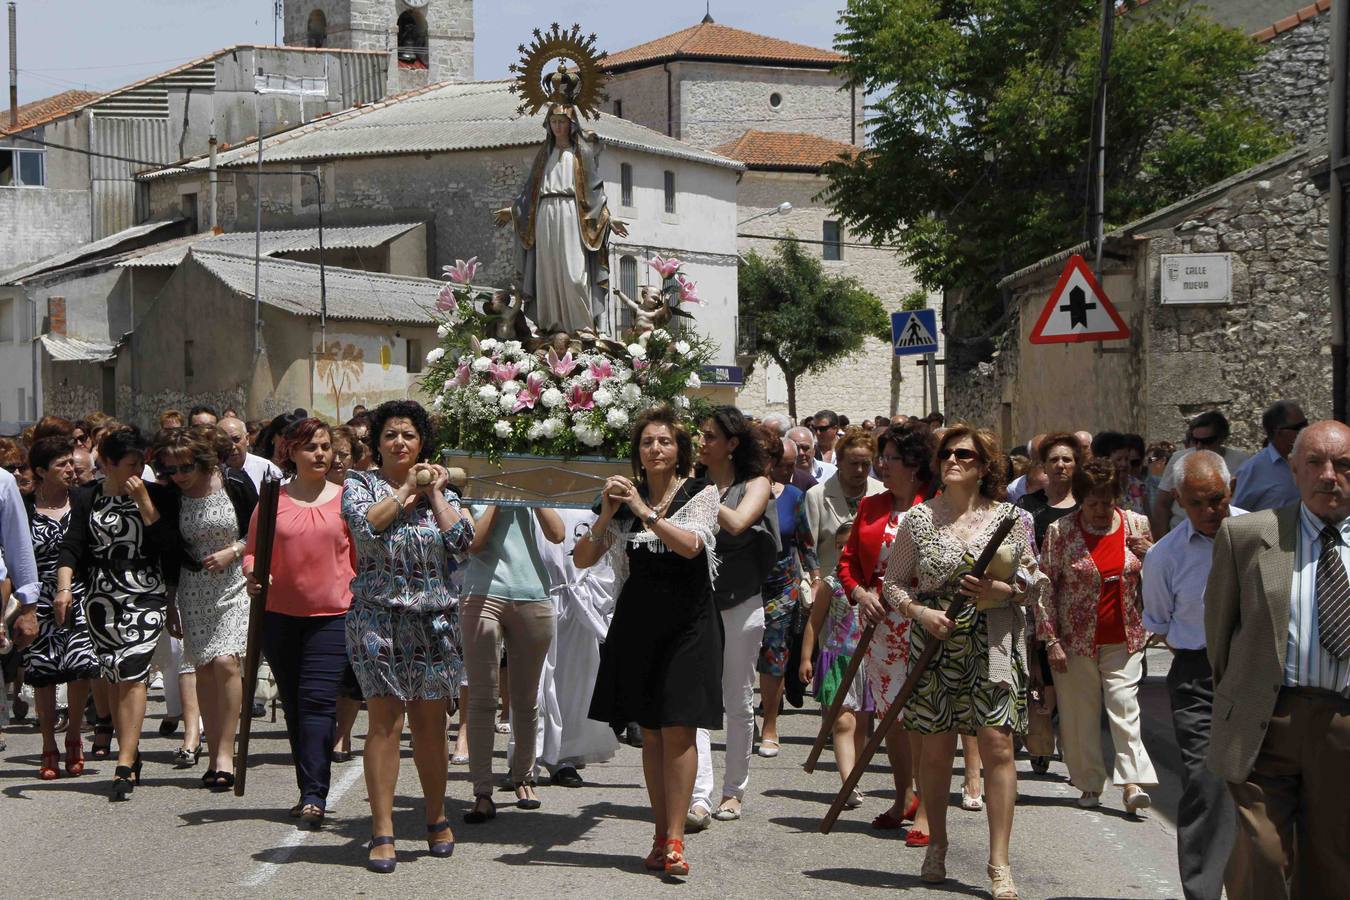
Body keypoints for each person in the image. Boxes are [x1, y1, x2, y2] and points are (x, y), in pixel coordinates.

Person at [882, 424, 1043, 899]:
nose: (953, 460)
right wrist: (920, 612)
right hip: (936, 640)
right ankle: (939, 842)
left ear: (985, 465)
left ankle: (999, 862)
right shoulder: (918, 520)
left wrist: (1005, 590)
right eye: (947, 453)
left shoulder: (1013, 519)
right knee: (934, 750)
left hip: (992, 641)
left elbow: (1036, 583)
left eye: (965, 455)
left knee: (997, 746)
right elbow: (893, 584)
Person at [1205, 420, 1350, 898]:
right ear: (1294, 470)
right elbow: (1220, 635)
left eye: (1343, 464)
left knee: (1332, 859)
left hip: (1342, 726)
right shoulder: (1249, 536)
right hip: (1268, 719)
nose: (1329, 475)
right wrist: (1240, 696)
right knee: (1265, 853)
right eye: (1315, 463)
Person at [577, 404, 722, 878]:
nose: (655, 449)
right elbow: (582, 557)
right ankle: (660, 835)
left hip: (689, 625)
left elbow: (691, 546)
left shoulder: (701, 492)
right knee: (653, 735)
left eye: (664, 441)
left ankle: (677, 840)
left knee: (680, 728)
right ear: (637, 452)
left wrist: (644, 512)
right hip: (639, 623)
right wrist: (608, 513)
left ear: (680, 450)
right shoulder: (625, 499)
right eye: (646, 442)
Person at [341, 399, 473, 873]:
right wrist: (403, 491)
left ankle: (436, 817)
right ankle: (382, 829)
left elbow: (464, 543)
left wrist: (435, 494)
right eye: (391, 435)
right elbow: (367, 527)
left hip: (435, 620)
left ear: (422, 443)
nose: (400, 442)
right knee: (384, 722)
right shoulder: (360, 485)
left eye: (409, 435)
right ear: (377, 444)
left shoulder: (446, 490)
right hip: (378, 618)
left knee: (430, 725)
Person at [56, 426, 180, 800]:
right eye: (130, 464)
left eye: (142, 463)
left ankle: (123, 763)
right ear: (107, 464)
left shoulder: (158, 495)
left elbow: (169, 548)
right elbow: (73, 546)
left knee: (133, 673)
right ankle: (132, 748)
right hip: (101, 599)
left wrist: (145, 504)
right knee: (114, 675)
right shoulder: (86, 497)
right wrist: (64, 587)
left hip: (145, 593)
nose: (138, 470)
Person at [245, 418, 355, 827]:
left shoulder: (346, 500)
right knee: (293, 704)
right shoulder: (272, 499)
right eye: (311, 448)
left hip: (332, 616)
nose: (321, 455)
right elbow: (254, 551)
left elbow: (358, 559)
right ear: (291, 452)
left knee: (318, 703)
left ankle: (314, 795)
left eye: (326, 447)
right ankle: (306, 784)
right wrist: (253, 572)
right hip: (279, 617)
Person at [1142, 450, 1239, 900]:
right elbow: (1161, 625)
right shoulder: (1164, 557)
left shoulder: (1266, 535)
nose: (1207, 513)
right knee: (1205, 780)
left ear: (1231, 489)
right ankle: (1202, 893)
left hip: (1259, 673)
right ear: (1178, 500)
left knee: (1263, 786)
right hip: (1198, 678)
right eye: (1194, 503)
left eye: (1215, 500)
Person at [1040, 457, 1158, 816]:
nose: (1100, 510)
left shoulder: (1136, 525)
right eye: (1092, 503)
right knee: (1079, 714)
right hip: (1074, 639)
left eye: (1107, 502)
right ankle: (1089, 783)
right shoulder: (1061, 532)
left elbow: (1158, 576)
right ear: (1080, 500)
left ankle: (1132, 781)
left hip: (1125, 635)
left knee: (1124, 705)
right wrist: (1050, 639)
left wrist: (1151, 555)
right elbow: (1044, 587)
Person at [842, 424, 935, 837]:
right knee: (892, 720)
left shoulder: (936, 507)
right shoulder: (872, 506)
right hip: (880, 627)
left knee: (923, 719)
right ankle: (903, 797)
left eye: (890, 458)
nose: (881, 465)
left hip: (922, 623)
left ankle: (929, 810)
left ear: (914, 464)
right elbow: (846, 563)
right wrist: (860, 594)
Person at [155, 426, 257, 790]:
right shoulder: (172, 497)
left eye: (185, 468)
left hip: (233, 583)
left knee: (226, 661)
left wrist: (234, 551)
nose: (179, 476)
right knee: (203, 669)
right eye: (170, 470)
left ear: (201, 461)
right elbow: (168, 549)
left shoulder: (234, 482)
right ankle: (213, 751)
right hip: (192, 587)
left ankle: (226, 754)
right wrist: (170, 601)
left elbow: (260, 529)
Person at [689, 407, 774, 828]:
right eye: (700, 436)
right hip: (698, 604)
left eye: (709, 436)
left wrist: (702, 496)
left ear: (732, 444)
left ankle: (733, 792)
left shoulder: (755, 484)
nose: (701, 442)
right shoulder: (695, 483)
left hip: (741, 602)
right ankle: (699, 795)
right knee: (697, 701)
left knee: (737, 701)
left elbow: (739, 523)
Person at [460, 498, 563, 820]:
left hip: (533, 595)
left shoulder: (527, 488)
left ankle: (524, 777)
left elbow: (557, 533)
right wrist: (498, 498)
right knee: (482, 698)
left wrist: (530, 495)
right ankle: (482, 790)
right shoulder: (469, 488)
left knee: (525, 698)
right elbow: (473, 543)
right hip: (481, 592)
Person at [498, 104, 627, 335]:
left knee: (575, 275)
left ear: (571, 124)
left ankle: (582, 327)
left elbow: (594, 191)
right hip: (544, 215)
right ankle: (550, 326)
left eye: (562, 121)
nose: (558, 126)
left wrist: (609, 218)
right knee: (547, 271)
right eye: (554, 122)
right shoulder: (543, 155)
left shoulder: (582, 153)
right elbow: (530, 192)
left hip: (572, 214)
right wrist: (513, 211)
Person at [21, 437, 99, 780]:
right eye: (61, 465)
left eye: (72, 462)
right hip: (38, 599)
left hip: (79, 593)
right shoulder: (24, 507)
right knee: (44, 674)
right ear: (40, 471)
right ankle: (48, 744)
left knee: (81, 666)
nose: (71, 469)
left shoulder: (83, 500)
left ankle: (73, 738)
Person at [529, 508, 619, 787]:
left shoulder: (590, 501)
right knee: (531, 682)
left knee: (569, 681)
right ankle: (525, 758)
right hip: (534, 596)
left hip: (577, 599)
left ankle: (562, 755)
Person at [799, 522, 873, 812]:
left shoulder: (876, 582)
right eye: (840, 546)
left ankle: (854, 773)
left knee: (861, 726)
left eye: (850, 545)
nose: (844, 550)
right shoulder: (831, 583)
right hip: (836, 658)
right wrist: (807, 657)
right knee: (843, 721)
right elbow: (814, 622)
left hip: (868, 660)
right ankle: (848, 784)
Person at [756, 430, 816, 760]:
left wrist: (816, 576)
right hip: (743, 585)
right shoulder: (739, 493)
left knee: (773, 655)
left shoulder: (794, 495)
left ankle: (769, 724)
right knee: (741, 657)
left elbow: (805, 542)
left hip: (783, 586)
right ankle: (744, 718)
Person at [1152, 411, 1251, 538]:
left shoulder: (1242, 462)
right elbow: (1162, 503)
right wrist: (1162, 540)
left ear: (1222, 438)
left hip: (1230, 534)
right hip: (1184, 537)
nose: (1199, 446)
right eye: (1195, 440)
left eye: (1207, 441)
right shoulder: (1179, 460)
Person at [1231, 400, 1305, 512]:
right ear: (1279, 432)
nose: (1306, 430)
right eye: (1299, 427)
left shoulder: (1310, 461)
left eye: (1306, 424)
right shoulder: (1253, 470)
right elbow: (1235, 513)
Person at [1016, 433, 1081, 550]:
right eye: (1053, 460)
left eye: (1066, 460)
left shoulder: (1086, 504)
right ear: (1044, 466)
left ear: (1076, 466)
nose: (1060, 465)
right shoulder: (1026, 505)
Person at [219, 416, 282, 494]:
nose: (232, 446)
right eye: (224, 441)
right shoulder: (213, 473)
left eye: (236, 439)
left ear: (247, 439)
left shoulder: (267, 469)